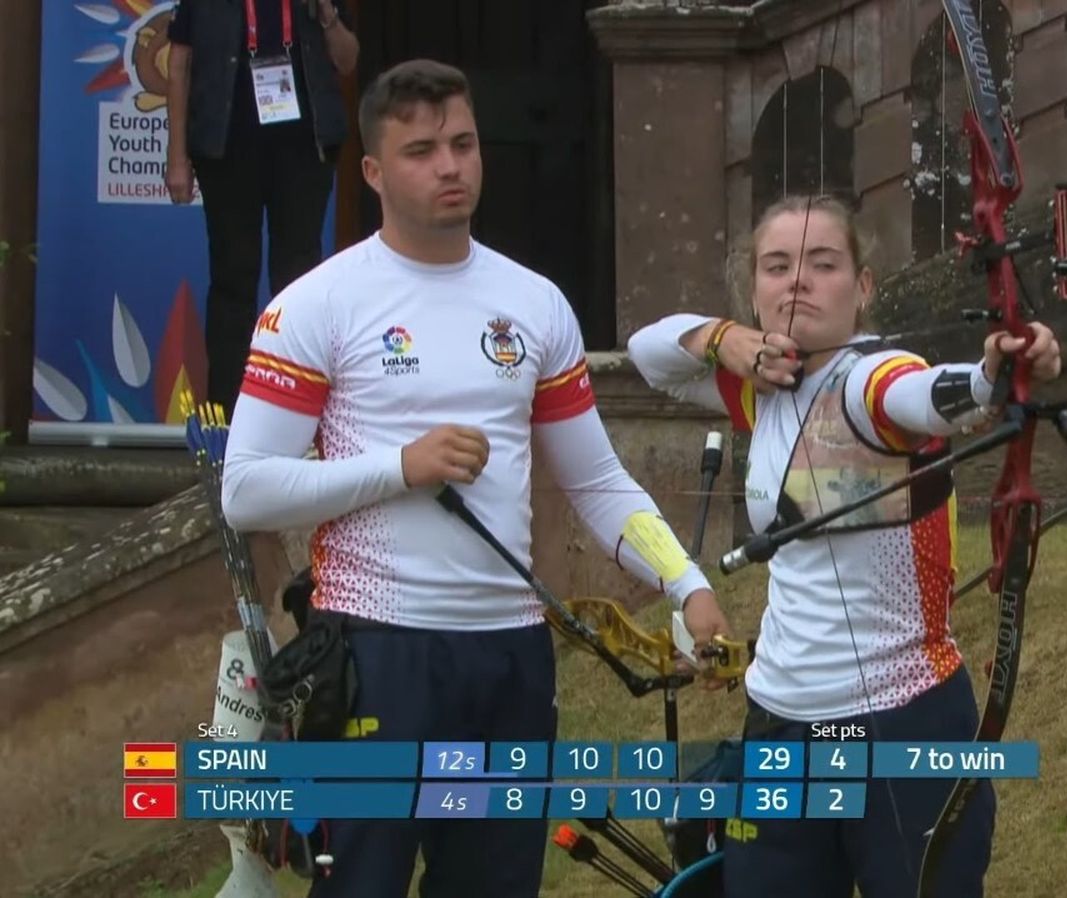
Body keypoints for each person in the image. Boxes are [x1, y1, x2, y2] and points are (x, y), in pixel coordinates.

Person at [220, 58, 732, 897]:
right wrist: (397, 467)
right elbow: (245, 488)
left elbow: (597, 481)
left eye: (463, 143)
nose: (451, 165)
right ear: (376, 173)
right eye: (422, 151)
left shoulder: (533, 303)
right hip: (377, 649)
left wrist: (687, 582)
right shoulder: (318, 304)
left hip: (509, 656)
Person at [626, 194, 1064, 897]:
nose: (796, 281)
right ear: (754, 289)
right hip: (780, 720)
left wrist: (994, 373)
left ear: (862, 288)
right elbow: (649, 353)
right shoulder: (759, 390)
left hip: (899, 722)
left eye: (822, 264)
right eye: (777, 266)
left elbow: (929, 395)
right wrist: (721, 338)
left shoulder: (871, 379)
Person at [165, 0, 359, 414]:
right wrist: (176, 156)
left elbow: (347, 60)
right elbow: (179, 64)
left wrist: (326, 13)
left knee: (298, 281)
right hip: (228, 149)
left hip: (303, 150)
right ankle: (228, 413)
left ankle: (298, 408)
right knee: (232, 278)